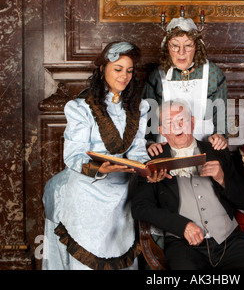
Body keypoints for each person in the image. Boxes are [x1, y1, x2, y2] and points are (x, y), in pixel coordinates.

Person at [42, 41, 157, 270]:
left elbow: (136, 150)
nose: (124, 76)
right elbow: (74, 155)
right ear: (103, 68)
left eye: (129, 70)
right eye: (118, 69)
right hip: (86, 189)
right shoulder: (80, 107)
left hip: (121, 191)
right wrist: (100, 169)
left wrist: (147, 168)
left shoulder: (138, 108)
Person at [131, 100, 244, 270]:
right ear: (162, 131)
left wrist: (222, 179)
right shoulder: (154, 162)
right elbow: (139, 207)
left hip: (229, 242)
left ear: (193, 123)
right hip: (184, 246)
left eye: (182, 120)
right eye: (169, 123)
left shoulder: (216, 150)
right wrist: (181, 226)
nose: (177, 126)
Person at [143, 15, 228, 156]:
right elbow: (148, 117)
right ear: (167, 47)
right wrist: (150, 142)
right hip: (167, 149)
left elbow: (220, 115)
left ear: (197, 47)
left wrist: (220, 135)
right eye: (175, 45)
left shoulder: (213, 73)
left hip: (205, 148)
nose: (181, 52)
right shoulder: (157, 76)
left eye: (188, 45)